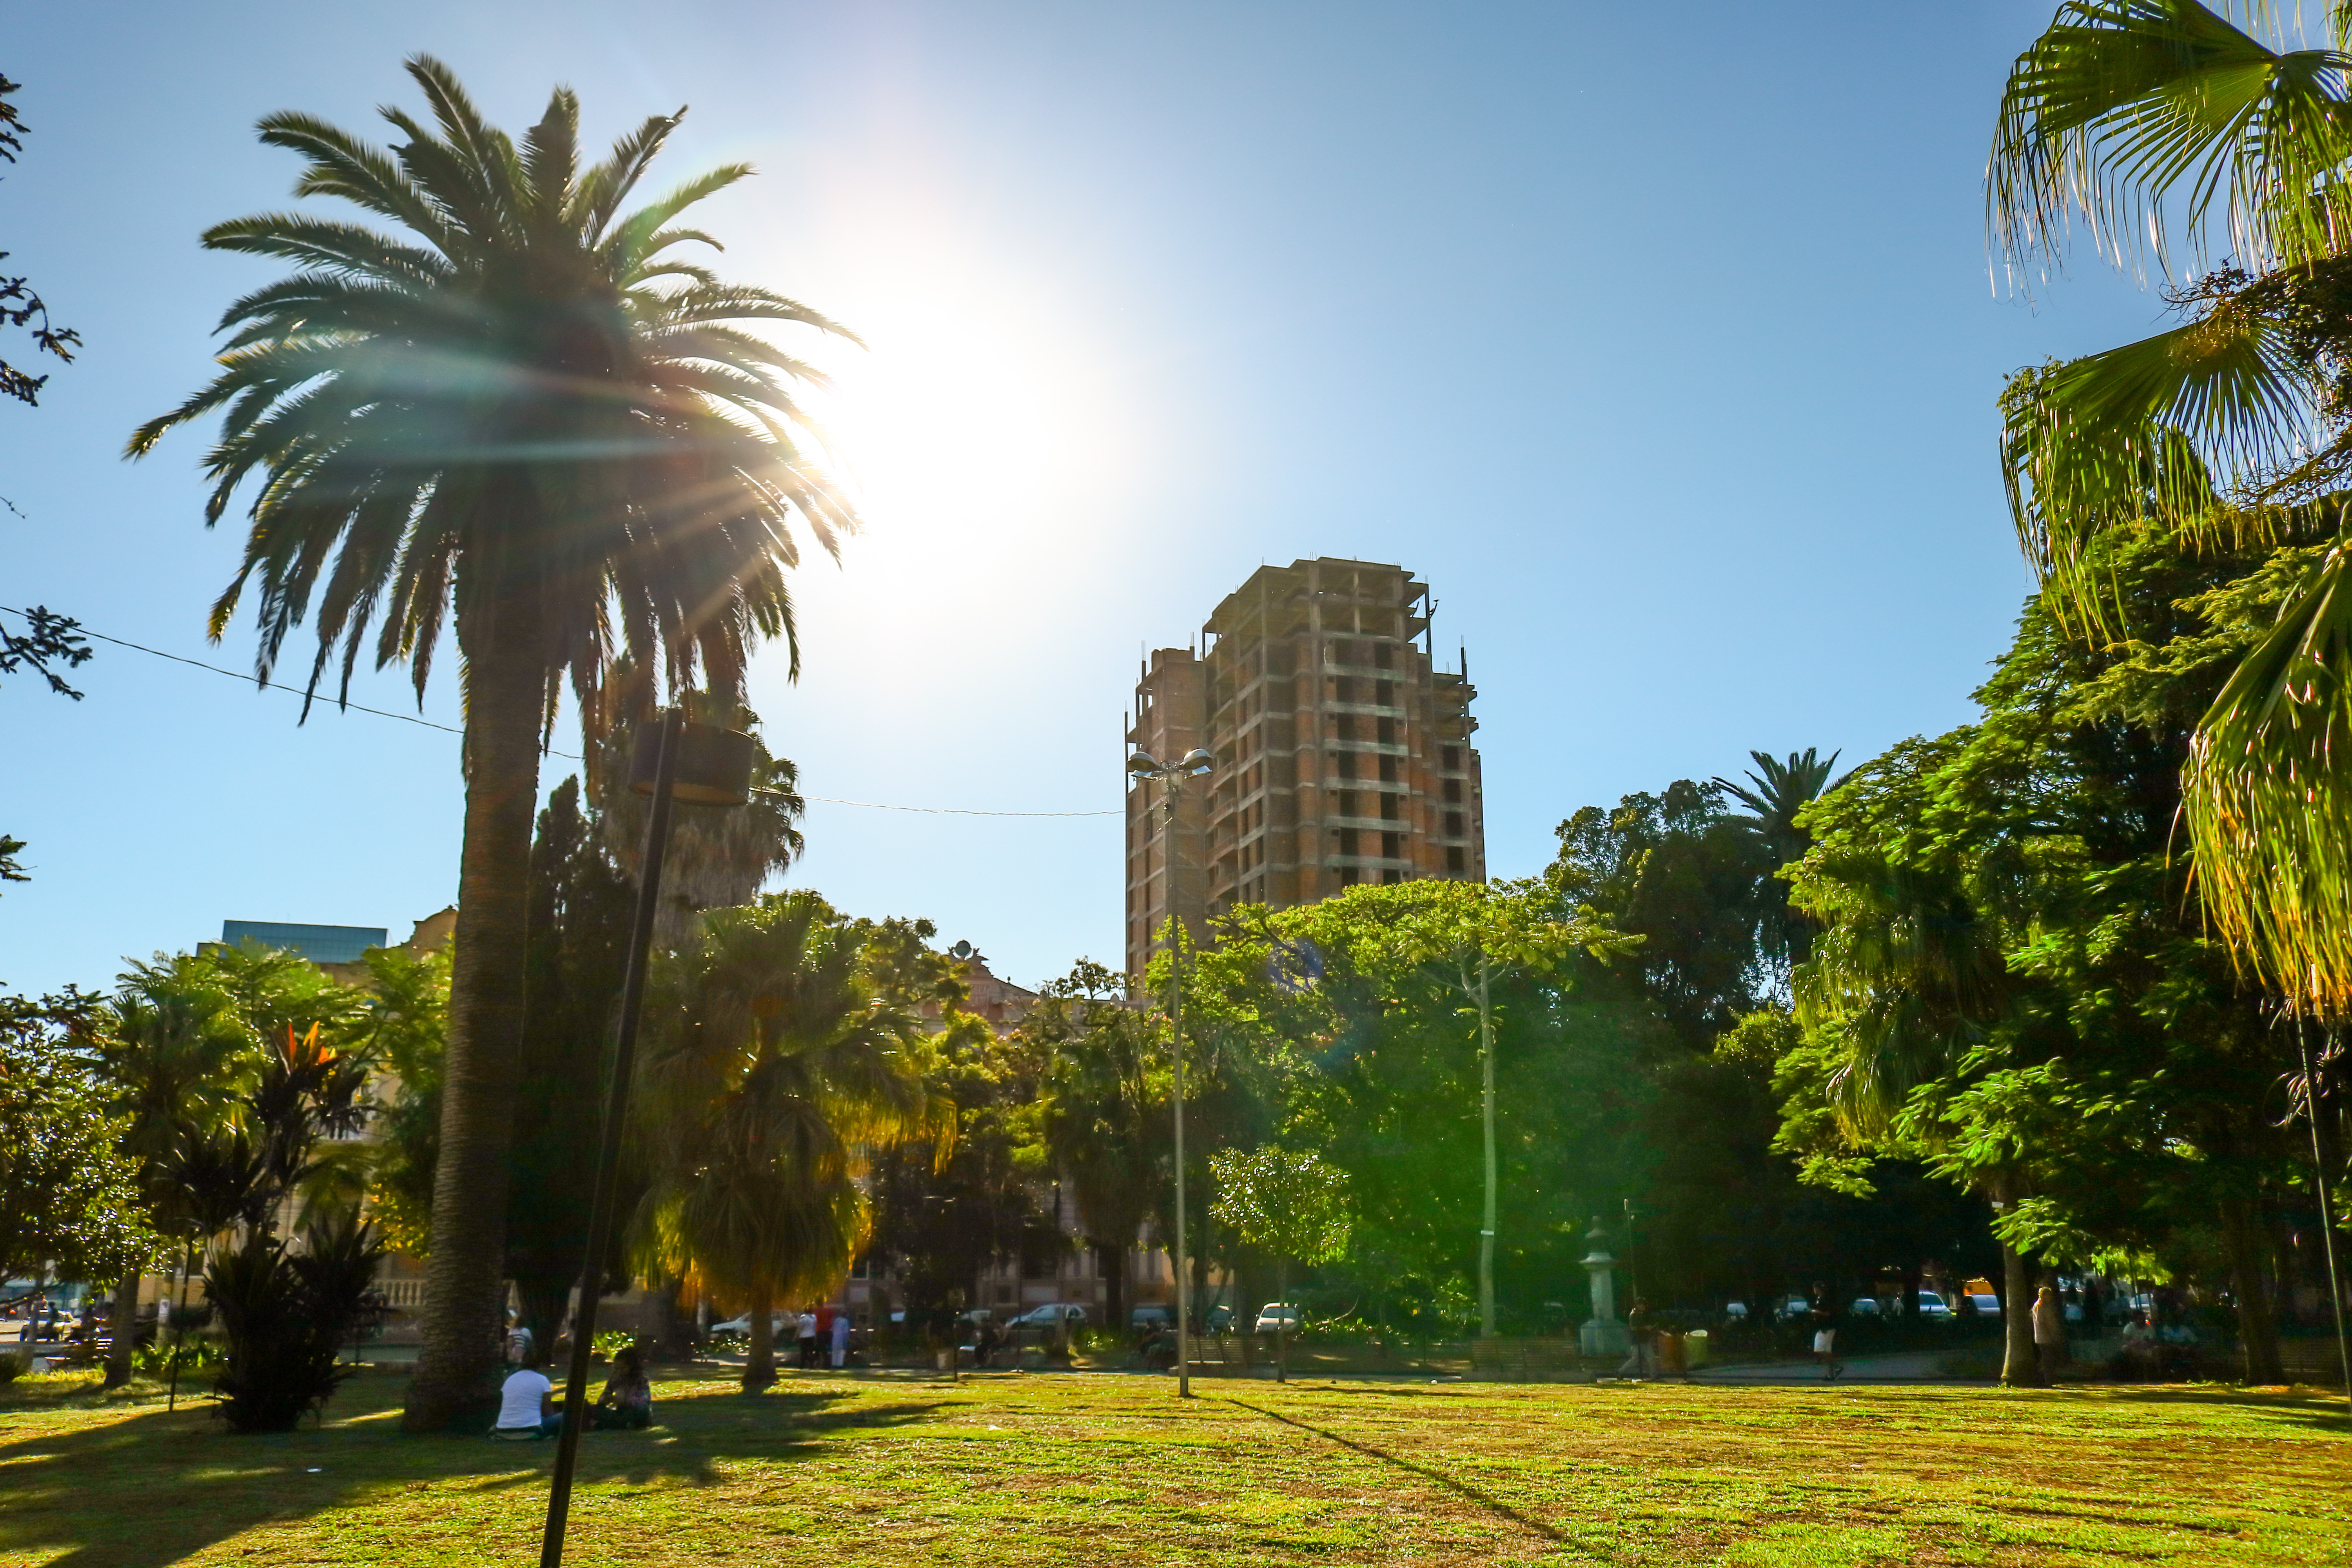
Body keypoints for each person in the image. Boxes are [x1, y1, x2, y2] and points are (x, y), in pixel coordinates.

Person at [495, 1349, 561, 1439]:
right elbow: (548, 1411)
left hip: (503, 1430)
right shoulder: (542, 1379)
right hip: (532, 1429)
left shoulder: (510, 1380)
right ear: (540, 1365)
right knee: (566, 1416)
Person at [592, 1343, 653, 1430]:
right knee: (596, 1410)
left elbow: (641, 1401)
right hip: (621, 1411)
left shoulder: (640, 1378)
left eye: (622, 1368)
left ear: (632, 1367)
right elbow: (605, 1394)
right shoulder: (615, 1377)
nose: (619, 1371)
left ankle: (615, 1424)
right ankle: (620, 1424)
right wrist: (605, 1399)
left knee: (640, 1413)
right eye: (616, 1368)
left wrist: (620, 1401)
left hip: (636, 1411)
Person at [2032, 1283, 2064, 1384]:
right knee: (2047, 1360)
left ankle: (2051, 1379)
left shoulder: (2048, 1305)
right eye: (2047, 1295)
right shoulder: (2039, 1306)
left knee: (2051, 1359)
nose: (2049, 1297)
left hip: (2051, 1336)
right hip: (2044, 1338)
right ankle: (2047, 1380)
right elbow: (2041, 1322)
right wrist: (2049, 1335)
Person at [1618, 1299, 1657, 1377]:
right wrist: (1646, 1328)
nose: (1644, 1307)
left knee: (1651, 1359)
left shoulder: (1644, 1314)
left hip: (1645, 1340)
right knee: (1635, 1360)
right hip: (1637, 1341)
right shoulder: (1633, 1315)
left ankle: (1654, 1377)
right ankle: (1620, 1372)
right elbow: (1634, 1328)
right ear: (1638, 1305)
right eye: (1642, 1305)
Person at [1810, 1285, 1842, 1380]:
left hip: (1826, 1328)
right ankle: (1832, 1375)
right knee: (1827, 1351)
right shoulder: (1823, 1299)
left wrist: (1816, 1312)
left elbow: (1828, 1313)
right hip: (1827, 1327)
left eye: (1816, 1288)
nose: (1815, 1290)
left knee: (1819, 1349)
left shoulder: (1824, 1299)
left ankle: (1837, 1367)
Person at [796, 1307, 818, 1371]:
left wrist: (797, 1336)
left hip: (803, 1336)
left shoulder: (803, 1317)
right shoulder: (814, 1317)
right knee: (811, 1351)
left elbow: (800, 1327)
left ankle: (802, 1365)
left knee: (803, 1351)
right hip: (812, 1335)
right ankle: (812, 1365)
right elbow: (816, 1326)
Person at [830, 1305, 851, 1369]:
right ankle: (840, 1365)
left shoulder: (837, 1320)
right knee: (841, 1352)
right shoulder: (845, 1321)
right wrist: (847, 1338)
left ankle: (834, 1364)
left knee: (835, 1352)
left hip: (835, 1338)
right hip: (842, 1338)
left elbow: (833, 1329)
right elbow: (846, 1332)